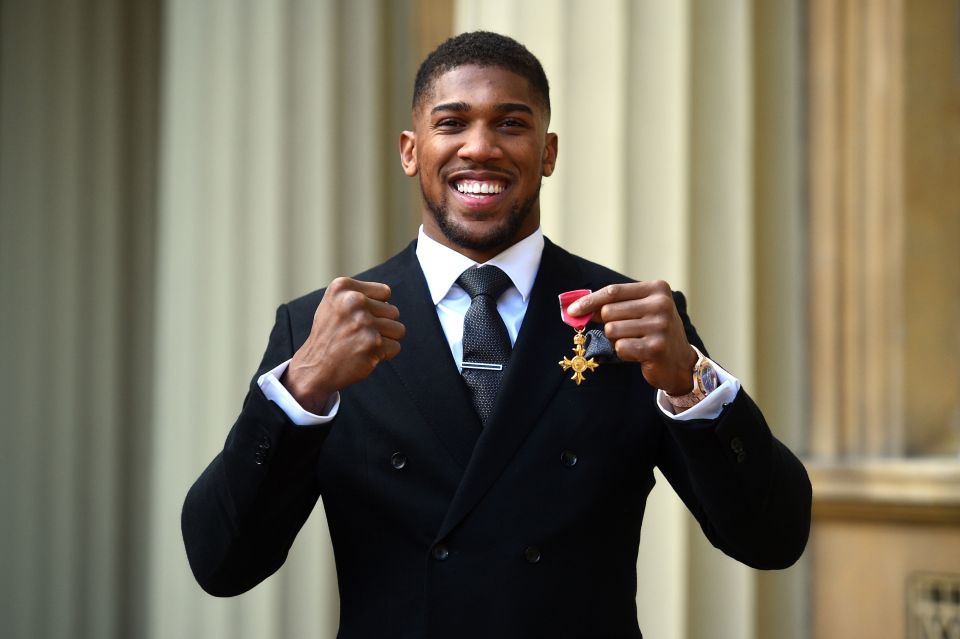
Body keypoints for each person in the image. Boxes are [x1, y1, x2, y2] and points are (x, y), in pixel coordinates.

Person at [182, 31, 811, 638]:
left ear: (548, 152)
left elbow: (772, 539)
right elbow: (222, 563)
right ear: (410, 150)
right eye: (451, 123)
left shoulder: (635, 319)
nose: (480, 147)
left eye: (511, 124)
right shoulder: (318, 327)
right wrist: (301, 389)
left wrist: (690, 385)